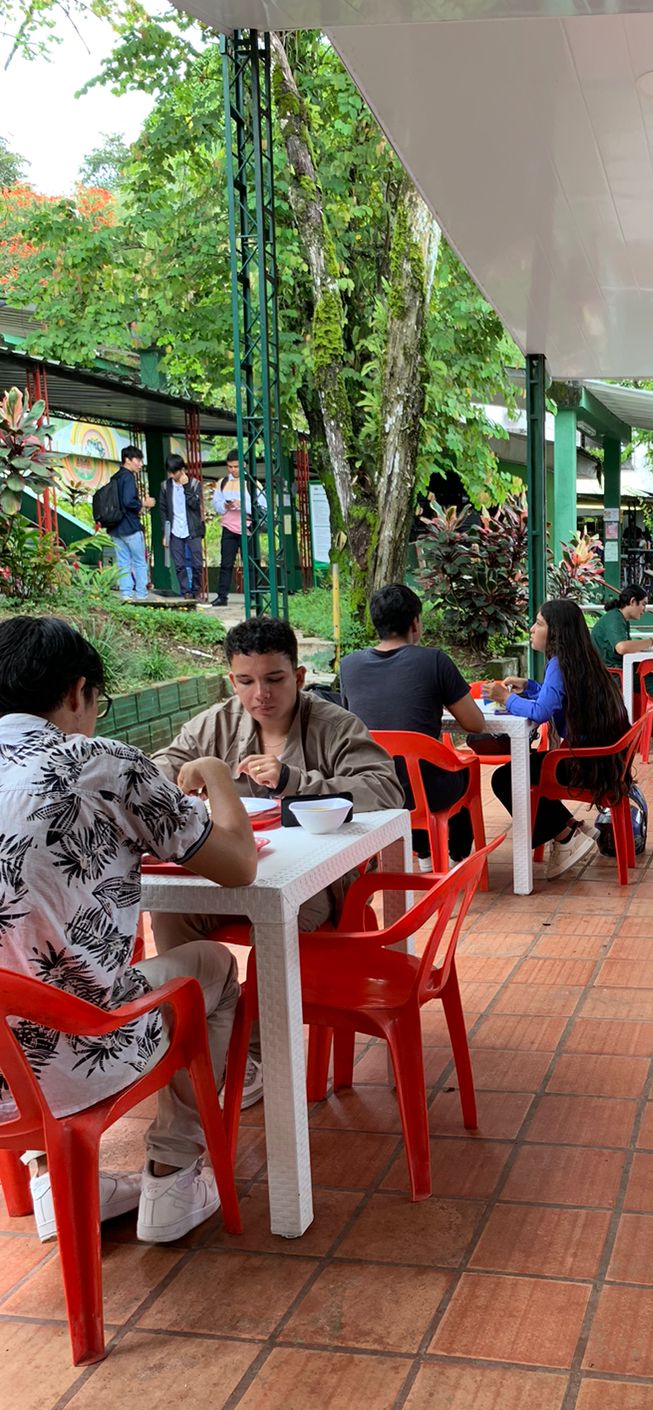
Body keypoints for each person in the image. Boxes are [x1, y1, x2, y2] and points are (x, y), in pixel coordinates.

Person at [0, 616, 258, 1244]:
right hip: (79, 1048)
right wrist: (217, 774)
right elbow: (238, 865)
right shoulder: (101, 764)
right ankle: (173, 1174)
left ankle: (57, 1183)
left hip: (6, 1078)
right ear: (77, 692)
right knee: (214, 968)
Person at [150, 617, 403, 1101]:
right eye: (246, 681)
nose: (260, 695)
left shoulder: (334, 724)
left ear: (299, 676)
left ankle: (254, 1055)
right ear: (232, 680)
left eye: (274, 679)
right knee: (170, 913)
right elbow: (163, 765)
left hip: (317, 882)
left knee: (277, 922)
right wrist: (176, 780)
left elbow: (385, 789)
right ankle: (197, 1045)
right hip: (238, 872)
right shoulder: (216, 723)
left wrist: (293, 780)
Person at [339, 583, 484, 864]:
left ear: (375, 624)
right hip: (428, 793)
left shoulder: (349, 666)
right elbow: (474, 724)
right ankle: (456, 858)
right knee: (462, 772)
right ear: (415, 623)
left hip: (371, 789)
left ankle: (425, 853)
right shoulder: (434, 661)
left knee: (406, 771)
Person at [488, 599, 631, 879]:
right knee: (521, 771)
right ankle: (570, 826)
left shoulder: (559, 664)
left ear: (557, 632)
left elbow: (541, 712)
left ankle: (565, 836)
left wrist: (506, 698)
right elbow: (557, 697)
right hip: (606, 759)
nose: (532, 629)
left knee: (506, 778)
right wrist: (530, 686)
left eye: (539, 623)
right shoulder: (581, 659)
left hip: (586, 763)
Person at [210, 452, 266, 608]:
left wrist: (242, 504)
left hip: (247, 528)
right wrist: (225, 505)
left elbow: (262, 507)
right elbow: (216, 505)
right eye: (230, 467)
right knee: (226, 564)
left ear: (244, 465)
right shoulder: (222, 483)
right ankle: (222, 596)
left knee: (251, 563)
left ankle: (254, 596)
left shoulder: (252, 483)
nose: (233, 470)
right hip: (228, 527)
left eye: (236, 466)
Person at [110, 445, 156, 599]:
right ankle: (141, 594)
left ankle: (126, 594)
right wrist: (144, 503)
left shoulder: (115, 477)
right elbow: (128, 501)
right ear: (127, 460)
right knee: (139, 561)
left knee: (123, 562)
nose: (141, 464)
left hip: (116, 527)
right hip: (130, 526)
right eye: (138, 460)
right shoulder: (128, 477)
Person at [158, 453, 206, 600]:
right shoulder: (165, 486)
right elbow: (163, 509)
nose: (171, 475)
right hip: (174, 530)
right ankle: (186, 592)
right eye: (169, 472)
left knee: (197, 563)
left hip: (192, 529)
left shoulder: (194, 484)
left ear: (182, 470)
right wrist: (165, 533)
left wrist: (186, 487)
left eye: (174, 472)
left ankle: (195, 591)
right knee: (179, 565)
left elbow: (195, 505)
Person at [589, 586, 653, 670]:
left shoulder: (622, 619)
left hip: (615, 668)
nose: (644, 610)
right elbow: (622, 647)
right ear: (633, 601)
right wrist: (652, 641)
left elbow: (627, 647)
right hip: (610, 672)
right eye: (643, 604)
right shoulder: (614, 618)